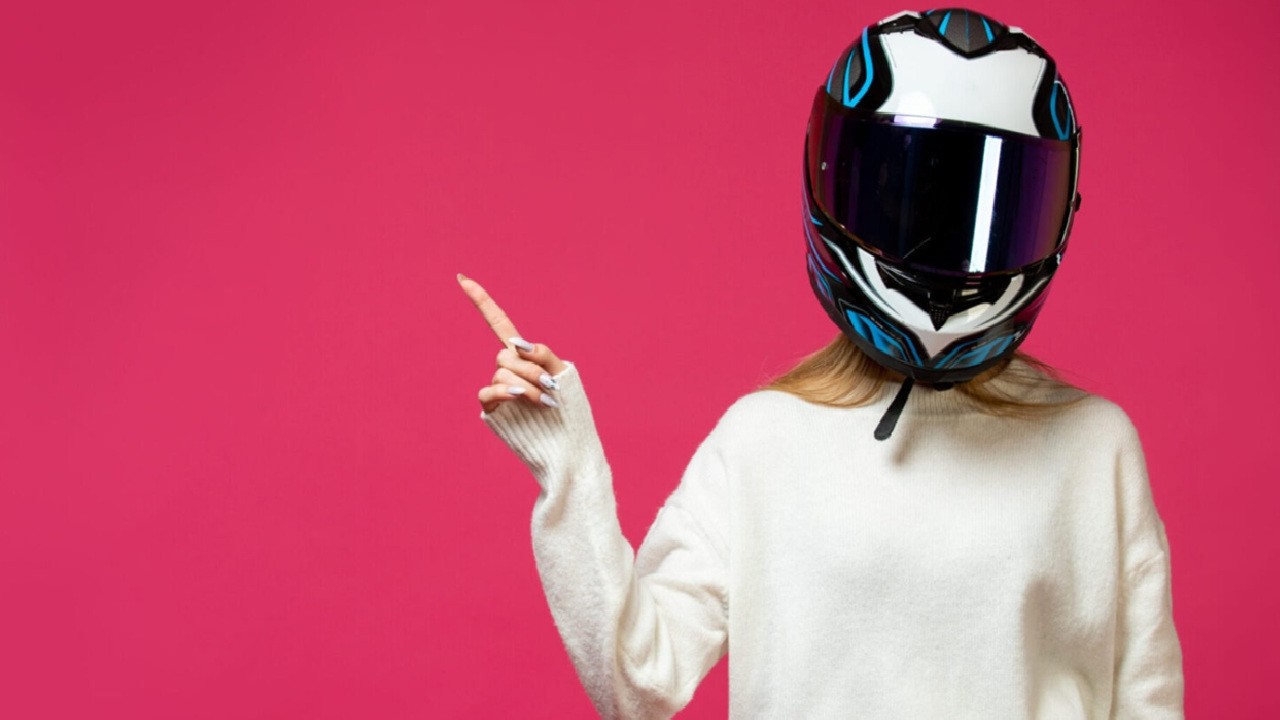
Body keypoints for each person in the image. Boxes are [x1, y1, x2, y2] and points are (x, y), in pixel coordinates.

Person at [461, 7, 1184, 718]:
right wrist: (567, 465)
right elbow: (637, 682)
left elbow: (1147, 703)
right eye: (910, 199)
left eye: (986, 205)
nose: (941, 240)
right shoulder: (765, 439)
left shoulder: (1096, 447)